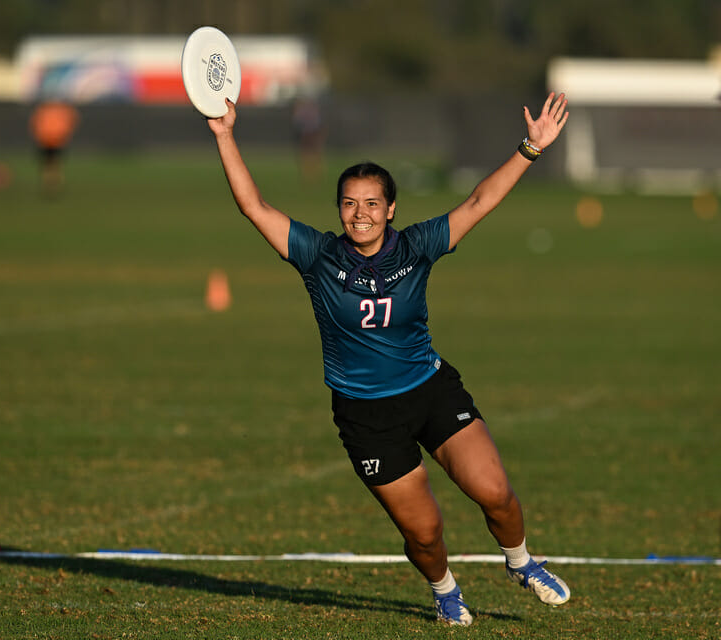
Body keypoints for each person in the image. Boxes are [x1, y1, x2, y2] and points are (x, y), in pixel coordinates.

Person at [206, 92, 570, 627]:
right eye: (350, 203)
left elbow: (477, 202)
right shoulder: (317, 255)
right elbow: (253, 207)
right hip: (366, 416)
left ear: (390, 209)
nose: (360, 214)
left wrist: (530, 148)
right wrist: (223, 134)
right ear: (339, 210)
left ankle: (521, 562)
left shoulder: (417, 246)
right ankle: (445, 590)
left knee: (495, 493)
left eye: (372, 203)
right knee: (423, 533)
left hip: (430, 390)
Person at [29, 100, 79, 194]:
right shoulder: (53, 110)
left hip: (52, 140)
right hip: (49, 140)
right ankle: (52, 184)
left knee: (52, 163)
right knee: (51, 163)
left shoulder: (47, 110)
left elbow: (35, 123)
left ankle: (52, 184)